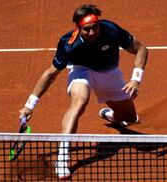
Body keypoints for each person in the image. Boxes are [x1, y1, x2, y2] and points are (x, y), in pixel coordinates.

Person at [18, 4, 148, 180]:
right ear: (78, 28)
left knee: (131, 119)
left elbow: (141, 49)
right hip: (82, 71)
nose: (93, 32)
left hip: (110, 74)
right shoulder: (69, 44)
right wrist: (29, 105)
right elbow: (50, 74)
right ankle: (62, 157)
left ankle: (111, 115)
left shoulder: (110, 30)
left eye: (95, 27)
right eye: (87, 30)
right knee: (79, 102)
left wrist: (136, 79)